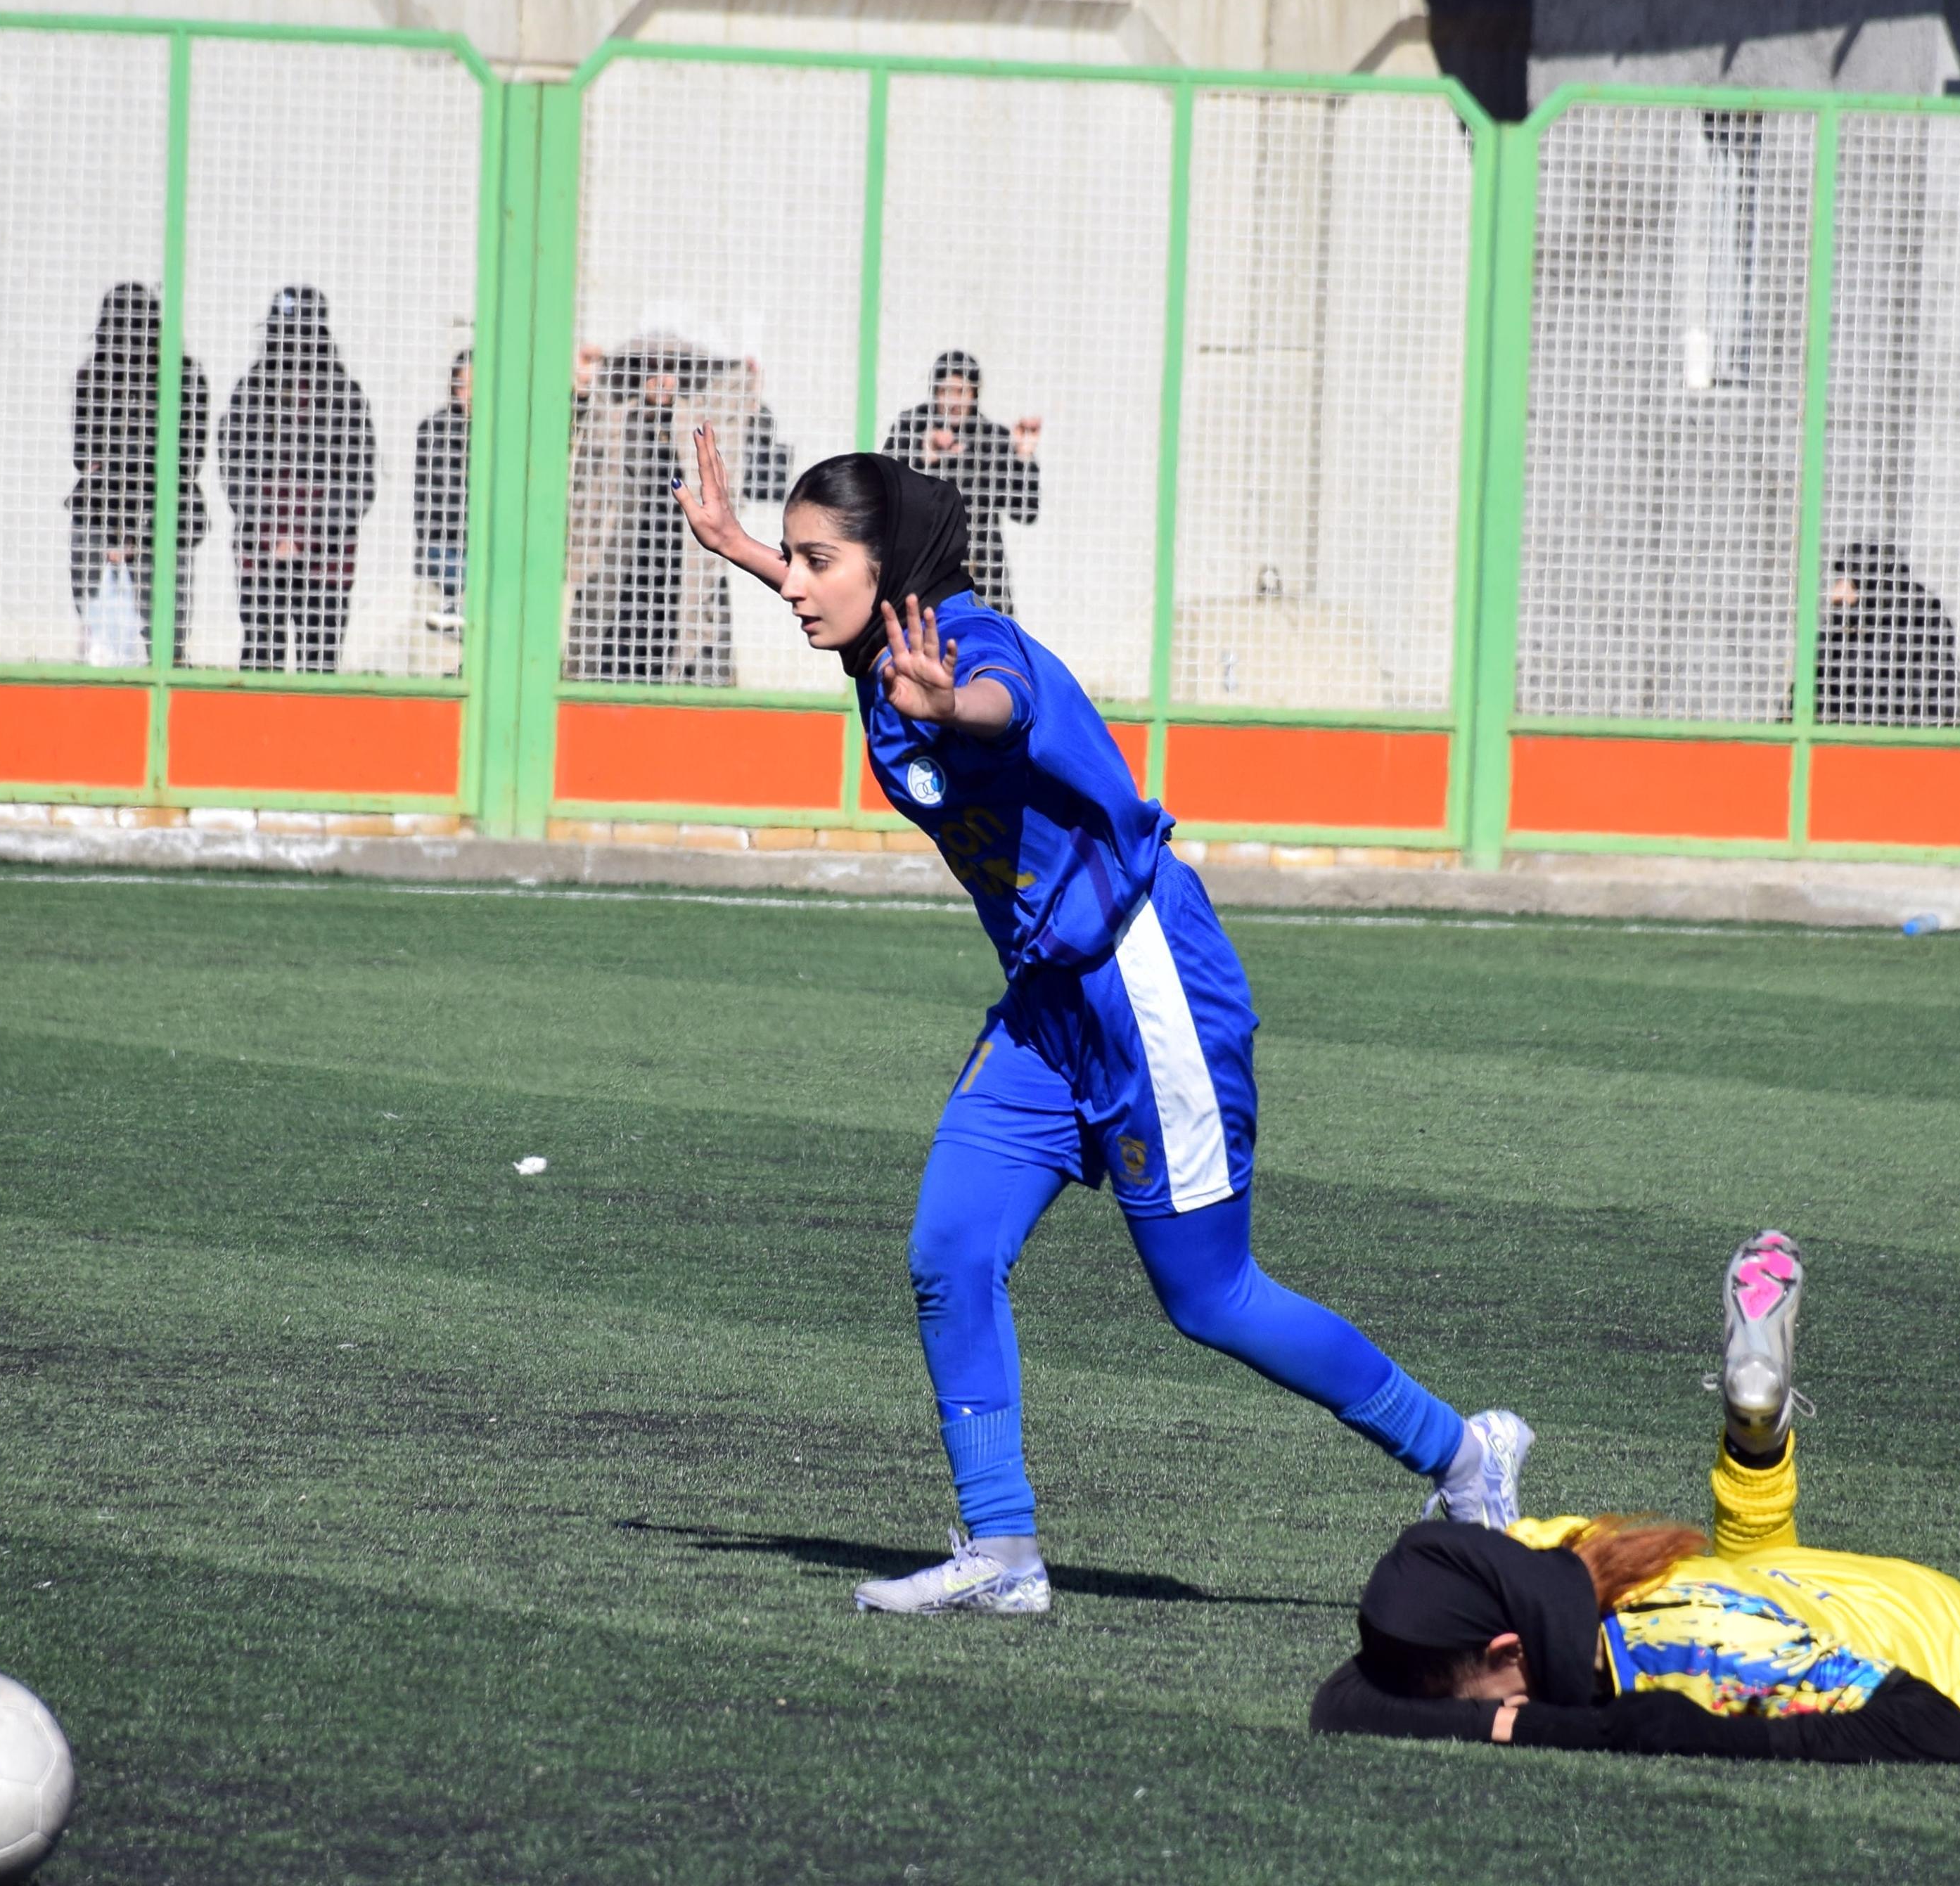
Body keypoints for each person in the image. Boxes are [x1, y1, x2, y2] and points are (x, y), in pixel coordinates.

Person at [673, 438, 1527, 1615]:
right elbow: (870, 625)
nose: (799, 586)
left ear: (891, 565)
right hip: (1048, 1006)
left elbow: (998, 706)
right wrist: (743, 551)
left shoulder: (965, 651)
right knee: (951, 1252)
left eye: (818, 562)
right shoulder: (884, 640)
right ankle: (1003, 1553)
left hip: (1146, 980)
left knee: (1210, 1297)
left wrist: (949, 706)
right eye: (795, 562)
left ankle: (1466, 1455)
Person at [1312, 1234, 1960, 1760]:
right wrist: (1505, 1725)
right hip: (1768, 1583)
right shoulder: (1543, 1550)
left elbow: (1927, 1730)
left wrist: (1645, 1730)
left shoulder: (1703, 1658)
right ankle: (1753, 1435)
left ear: (1506, 1657)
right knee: (1752, 1558)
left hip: (1932, 1644)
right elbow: (1345, 1702)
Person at [568, 338, 788, 684]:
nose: (663, 380)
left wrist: (746, 388)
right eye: (652, 371)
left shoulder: (695, 417)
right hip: (628, 553)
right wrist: (584, 380)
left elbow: (739, 436)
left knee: (689, 629)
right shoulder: (620, 417)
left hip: (683, 551)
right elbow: (587, 442)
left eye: (671, 372)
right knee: (617, 641)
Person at [217, 286, 376, 674]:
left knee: (320, 660)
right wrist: (273, 532)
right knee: (261, 652)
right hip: (262, 551)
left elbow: (361, 477)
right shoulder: (252, 390)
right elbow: (234, 466)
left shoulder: (344, 395)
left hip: (328, 557)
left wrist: (310, 535)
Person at [65, 282, 205, 667]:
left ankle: (168, 668)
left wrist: (138, 526)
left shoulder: (185, 376)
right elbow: (85, 455)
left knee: (166, 628)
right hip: (99, 508)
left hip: (167, 509)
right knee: (102, 628)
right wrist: (114, 526)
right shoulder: (93, 378)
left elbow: (187, 459)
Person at [883, 349, 1042, 618]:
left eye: (962, 392)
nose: (953, 401)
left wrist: (1024, 458)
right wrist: (925, 457)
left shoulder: (992, 438)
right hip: (922, 565)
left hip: (982, 570)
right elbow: (884, 493)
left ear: (974, 395)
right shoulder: (911, 426)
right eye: (946, 391)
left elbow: (1024, 512)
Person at [1812, 543, 1960, 728]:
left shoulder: (1911, 611)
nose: (1836, 593)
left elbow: (1861, 671)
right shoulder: (1851, 620)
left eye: (1848, 579)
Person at [414, 348, 470, 637]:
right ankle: (455, 609)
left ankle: (455, 611)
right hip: (445, 542)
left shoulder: (499, 431)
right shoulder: (436, 429)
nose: (468, 394)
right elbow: (434, 498)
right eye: (462, 385)